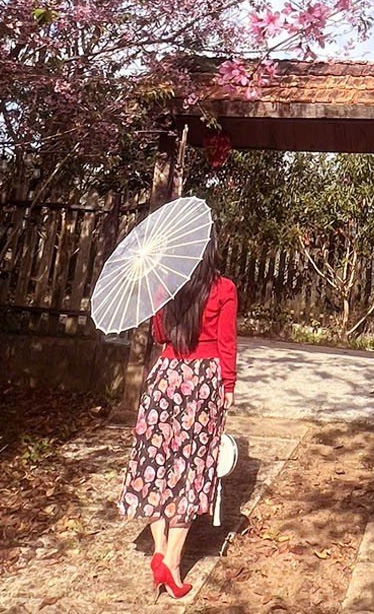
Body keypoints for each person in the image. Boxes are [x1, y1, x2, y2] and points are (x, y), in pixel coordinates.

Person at [118, 243, 237, 599]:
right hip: (202, 382)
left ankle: (158, 547)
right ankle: (171, 561)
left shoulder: (165, 284)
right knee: (191, 467)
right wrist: (228, 385)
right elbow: (227, 342)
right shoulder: (223, 288)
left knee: (153, 462)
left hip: (165, 376)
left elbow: (159, 336)